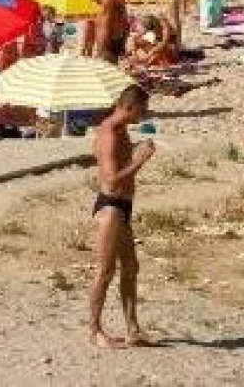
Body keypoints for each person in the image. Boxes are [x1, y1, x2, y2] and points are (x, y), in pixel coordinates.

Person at [87, 85, 156, 349]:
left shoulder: (121, 131)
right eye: (142, 109)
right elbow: (111, 181)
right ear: (129, 107)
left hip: (122, 207)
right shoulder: (110, 134)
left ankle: (132, 329)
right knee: (104, 271)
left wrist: (134, 153)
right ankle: (94, 331)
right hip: (111, 207)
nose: (145, 114)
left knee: (130, 267)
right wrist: (140, 160)